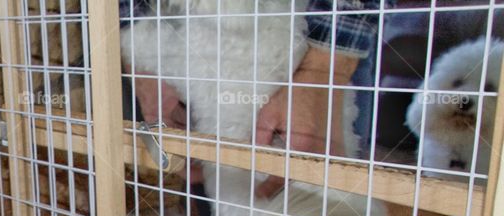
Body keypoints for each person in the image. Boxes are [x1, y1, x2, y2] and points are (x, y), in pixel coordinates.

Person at [127, 1, 390, 197]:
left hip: (313, 34)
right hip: (175, 37)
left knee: (319, 213)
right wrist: (141, 65)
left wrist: (322, 70)